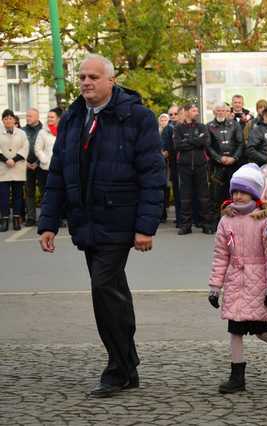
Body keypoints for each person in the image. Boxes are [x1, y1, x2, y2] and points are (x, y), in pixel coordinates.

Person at [38, 54, 165, 397]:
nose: (85, 82)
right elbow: (59, 174)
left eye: (93, 76)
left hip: (119, 219)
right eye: (81, 76)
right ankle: (128, 363)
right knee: (113, 293)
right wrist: (47, 222)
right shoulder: (73, 118)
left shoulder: (136, 117)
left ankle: (117, 369)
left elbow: (153, 174)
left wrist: (146, 226)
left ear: (111, 80)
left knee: (103, 288)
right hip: (86, 220)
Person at [208, 163, 267, 394]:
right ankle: (237, 376)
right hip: (235, 283)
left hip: (258, 284)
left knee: (261, 330)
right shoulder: (226, 220)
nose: (237, 196)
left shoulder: (264, 221)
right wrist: (215, 286)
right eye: (234, 191)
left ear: (254, 193)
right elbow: (220, 256)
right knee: (235, 330)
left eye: (243, 191)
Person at [174, 103, 214, 235]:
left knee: (204, 196)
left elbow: (205, 142)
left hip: (201, 164)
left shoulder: (201, 126)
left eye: (197, 110)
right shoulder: (178, 128)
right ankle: (186, 225)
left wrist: (189, 140)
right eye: (193, 110)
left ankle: (206, 224)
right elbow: (178, 145)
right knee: (185, 196)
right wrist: (195, 140)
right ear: (186, 112)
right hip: (184, 165)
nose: (196, 112)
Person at [207, 102, 244, 228]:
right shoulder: (209, 126)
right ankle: (214, 223)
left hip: (233, 164)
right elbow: (208, 146)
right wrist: (219, 158)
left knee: (233, 193)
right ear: (214, 112)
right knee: (215, 195)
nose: (221, 112)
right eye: (218, 110)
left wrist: (234, 157)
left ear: (227, 111)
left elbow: (240, 143)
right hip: (217, 165)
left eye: (223, 110)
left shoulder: (235, 124)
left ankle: (234, 221)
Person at [0, 109, 28, 231]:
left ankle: (17, 220)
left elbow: (25, 148)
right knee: (3, 196)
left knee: (18, 195)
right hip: (3, 168)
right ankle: (5, 220)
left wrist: (14, 160)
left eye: (10, 118)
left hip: (18, 168)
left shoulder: (21, 133)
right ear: (2, 120)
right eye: (5, 118)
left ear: (14, 120)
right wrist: (6, 160)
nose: (8, 120)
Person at [33, 108, 61, 217]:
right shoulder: (42, 132)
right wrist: (45, 160)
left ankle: (59, 217)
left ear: (58, 119)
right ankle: (47, 217)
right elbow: (37, 149)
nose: (49, 119)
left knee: (59, 194)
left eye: (52, 117)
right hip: (46, 169)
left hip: (59, 168)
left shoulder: (63, 130)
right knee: (47, 195)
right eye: (48, 117)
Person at [161, 105, 183, 227]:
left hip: (188, 163)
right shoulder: (168, 129)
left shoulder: (185, 126)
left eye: (176, 114)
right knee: (178, 191)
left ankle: (190, 218)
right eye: (171, 115)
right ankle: (180, 219)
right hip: (174, 164)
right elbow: (165, 149)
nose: (173, 116)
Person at [23, 108, 44, 226]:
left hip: (41, 165)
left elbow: (46, 148)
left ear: (37, 117)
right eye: (27, 116)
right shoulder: (22, 130)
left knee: (44, 191)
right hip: (26, 165)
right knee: (29, 191)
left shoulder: (44, 130)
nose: (27, 118)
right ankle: (31, 217)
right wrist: (25, 162)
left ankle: (45, 216)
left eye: (30, 116)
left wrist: (38, 162)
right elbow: (18, 147)